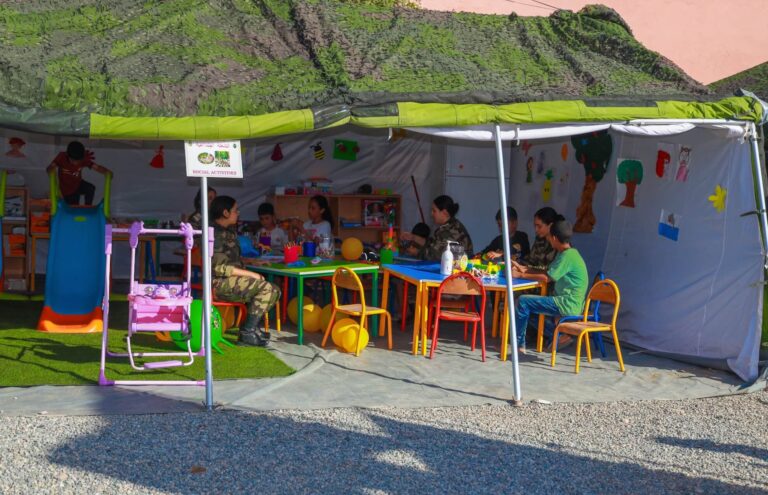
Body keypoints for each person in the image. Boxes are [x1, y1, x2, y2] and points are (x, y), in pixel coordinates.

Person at [210, 196, 281, 347]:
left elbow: (231, 259)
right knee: (266, 288)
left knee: (275, 290)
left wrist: (251, 262)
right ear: (225, 213)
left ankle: (249, 327)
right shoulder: (215, 235)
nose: (238, 213)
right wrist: (251, 274)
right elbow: (218, 267)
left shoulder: (228, 232)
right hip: (219, 283)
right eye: (235, 210)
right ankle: (247, 333)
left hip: (230, 280)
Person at [510, 219, 588, 353]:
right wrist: (525, 269)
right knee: (529, 310)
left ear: (555, 238)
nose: (549, 240)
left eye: (549, 237)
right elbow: (547, 272)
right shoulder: (569, 253)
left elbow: (546, 278)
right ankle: (561, 335)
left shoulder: (567, 256)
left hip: (566, 303)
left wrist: (520, 275)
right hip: (569, 302)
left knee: (522, 302)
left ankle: (519, 345)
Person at [402, 195, 473, 261]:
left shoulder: (450, 230)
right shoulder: (449, 226)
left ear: (444, 213)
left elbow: (435, 256)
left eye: (434, 211)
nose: (431, 214)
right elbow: (432, 243)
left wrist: (416, 252)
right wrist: (413, 237)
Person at [46, 141, 111, 206]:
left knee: (90, 188)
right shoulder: (62, 157)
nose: (76, 163)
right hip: (66, 191)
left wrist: (107, 172)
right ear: (67, 155)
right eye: (73, 161)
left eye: (78, 161)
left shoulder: (83, 158)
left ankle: (87, 207)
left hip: (78, 184)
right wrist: (50, 171)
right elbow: (50, 167)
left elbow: (97, 167)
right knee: (74, 207)